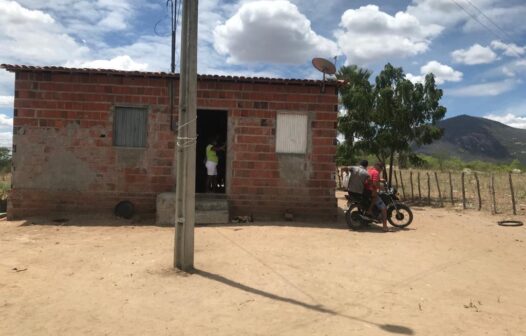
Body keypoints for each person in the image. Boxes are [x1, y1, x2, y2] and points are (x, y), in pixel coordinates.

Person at [365, 162, 388, 232]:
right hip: (371, 191)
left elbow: (372, 179)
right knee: (384, 208)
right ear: (378, 167)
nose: (381, 170)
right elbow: (375, 183)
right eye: (381, 168)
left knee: (376, 196)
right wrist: (381, 187)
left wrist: (380, 180)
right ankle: (384, 227)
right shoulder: (376, 172)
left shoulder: (370, 170)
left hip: (366, 190)